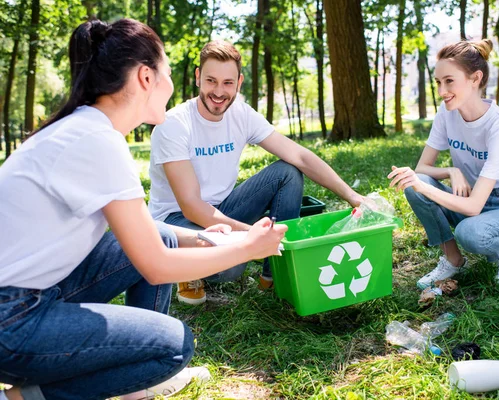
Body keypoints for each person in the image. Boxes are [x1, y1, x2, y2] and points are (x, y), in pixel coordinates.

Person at [0, 19, 286, 400]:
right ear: (147, 77)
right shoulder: (97, 141)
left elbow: (146, 236)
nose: (173, 82)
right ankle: (19, 397)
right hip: (13, 321)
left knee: (165, 233)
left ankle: (136, 380)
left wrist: (206, 236)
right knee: (174, 345)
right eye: (168, 70)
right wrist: (248, 248)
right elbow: (156, 265)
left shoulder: (90, 130)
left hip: (30, 296)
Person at [148, 40, 364, 305]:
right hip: (176, 220)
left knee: (287, 171)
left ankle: (274, 276)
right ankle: (190, 271)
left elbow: (299, 155)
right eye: (211, 81)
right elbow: (192, 206)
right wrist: (251, 237)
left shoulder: (240, 113)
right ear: (197, 78)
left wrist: (353, 196)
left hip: (222, 209)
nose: (218, 91)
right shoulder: (174, 125)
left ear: (239, 83)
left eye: (227, 83)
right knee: (232, 267)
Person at [388, 39, 499, 289]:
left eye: (449, 81)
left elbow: (475, 206)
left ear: (475, 78)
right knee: (416, 182)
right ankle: (453, 258)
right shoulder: (446, 112)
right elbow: (422, 169)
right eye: (439, 82)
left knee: (469, 231)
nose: (442, 90)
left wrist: (425, 187)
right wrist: (451, 171)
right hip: (465, 198)